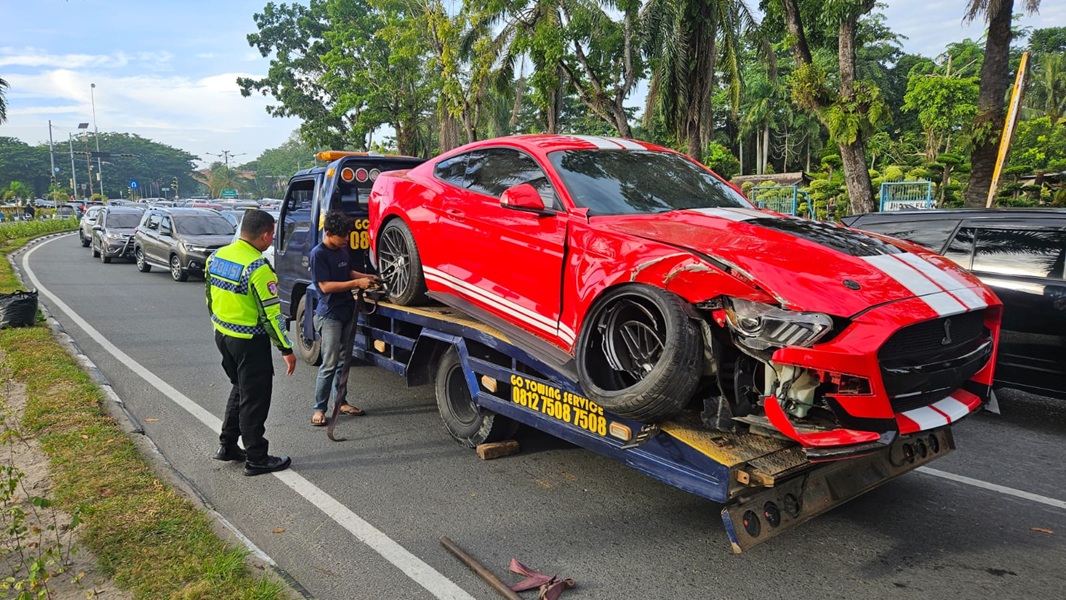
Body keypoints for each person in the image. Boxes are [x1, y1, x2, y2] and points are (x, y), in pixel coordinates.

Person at [205, 209, 297, 476]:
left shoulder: (217, 257)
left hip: (222, 336)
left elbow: (209, 298)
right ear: (266, 235)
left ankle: (228, 445)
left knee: (240, 389)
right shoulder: (258, 267)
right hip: (249, 343)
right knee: (254, 399)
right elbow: (272, 316)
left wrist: (218, 326)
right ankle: (257, 457)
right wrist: (286, 348)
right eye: (273, 235)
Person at [309, 210, 379, 426]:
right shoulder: (318, 254)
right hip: (330, 315)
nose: (347, 239)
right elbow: (325, 286)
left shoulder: (341, 250)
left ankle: (341, 402)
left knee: (343, 361)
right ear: (329, 233)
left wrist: (366, 277)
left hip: (347, 310)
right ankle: (319, 409)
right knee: (329, 363)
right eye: (343, 236)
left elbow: (348, 273)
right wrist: (357, 284)